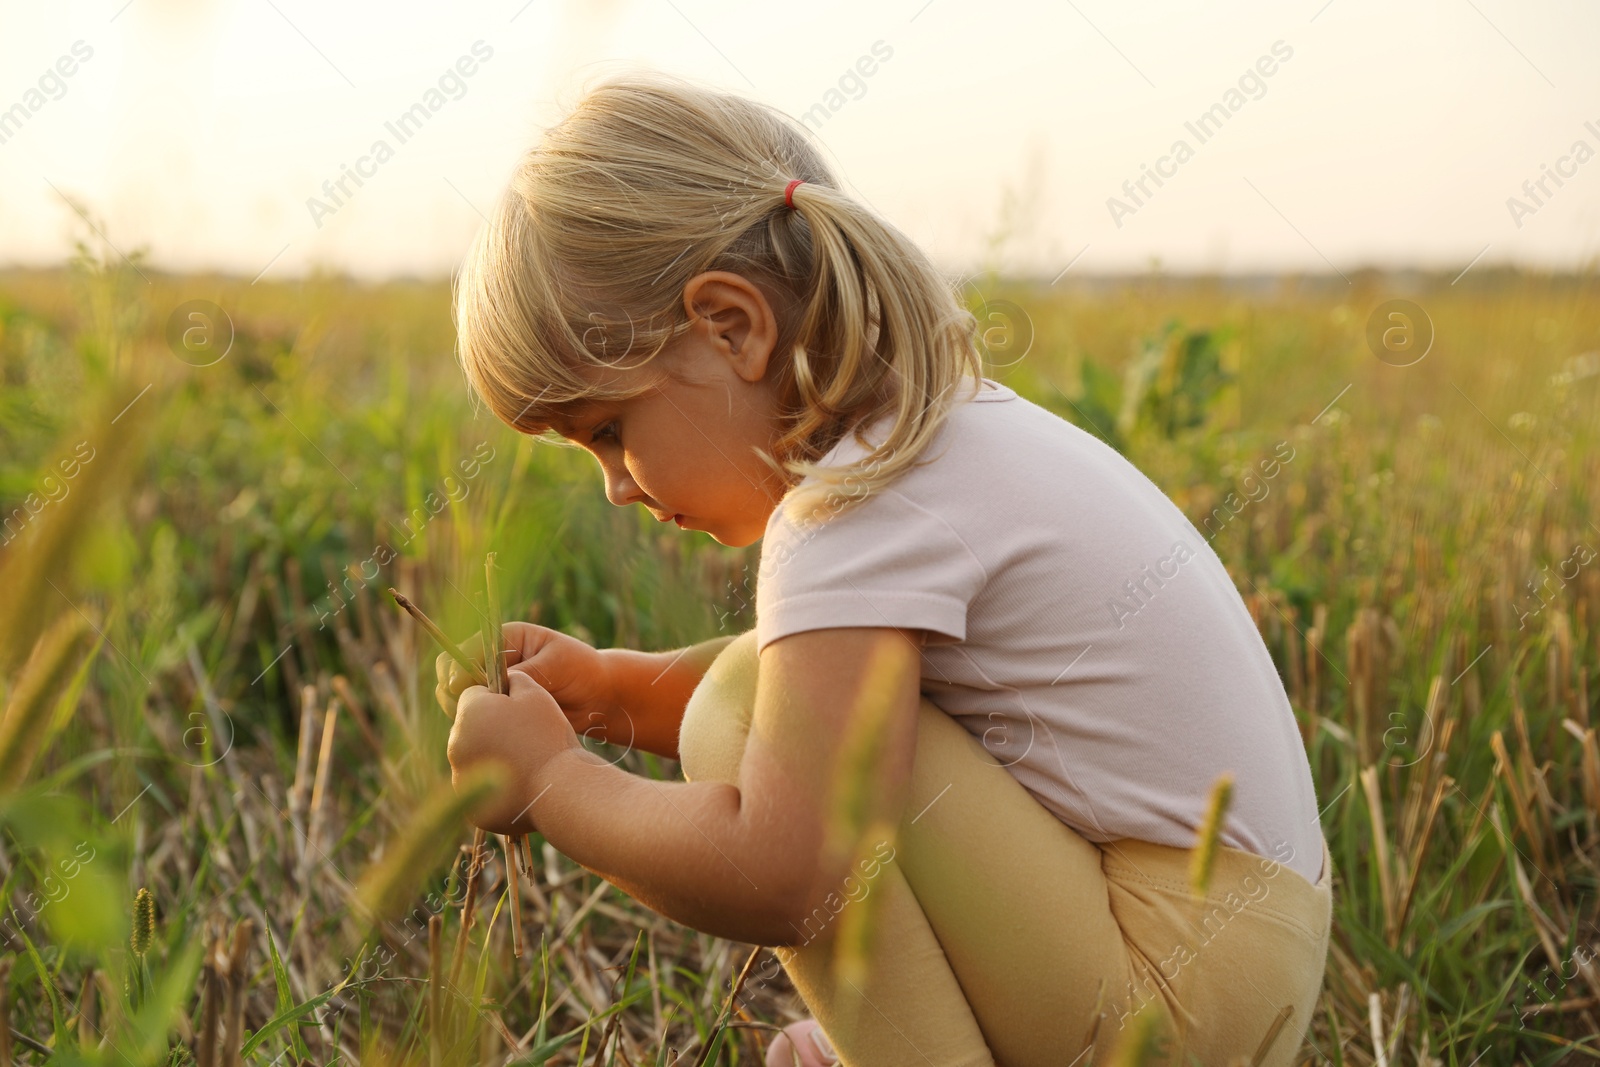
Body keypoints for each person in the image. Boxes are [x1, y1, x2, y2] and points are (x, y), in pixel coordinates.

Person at [438, 70, 1333, 1067]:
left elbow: (785, 872)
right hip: (1230, 968)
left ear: (732, 325)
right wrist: (606, 691)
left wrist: (551, 780)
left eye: (609, 428)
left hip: (1170, 993)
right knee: (760, 695)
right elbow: (814, 702)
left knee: (736, 706)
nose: (614, 485)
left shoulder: (853, 505)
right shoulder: (930, 438)